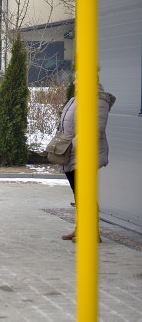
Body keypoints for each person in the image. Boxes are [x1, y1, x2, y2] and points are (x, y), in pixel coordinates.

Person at [57, 79, 115, 243]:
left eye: (79, 79)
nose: (75, 82)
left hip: (85, 155)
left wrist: (71, 145)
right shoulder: (77, 98)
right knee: (79, 194)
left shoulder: (98, 100)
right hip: (71, 154)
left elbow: (95, 129)